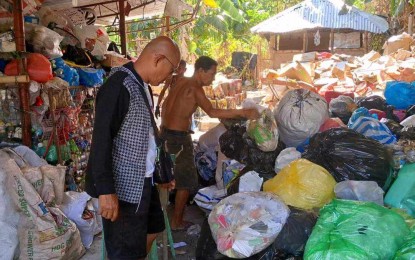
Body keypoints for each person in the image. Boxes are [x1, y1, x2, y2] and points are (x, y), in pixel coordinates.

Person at [85, 36, 180, 260]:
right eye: (171, 70)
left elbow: (145, 135)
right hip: (123, 189)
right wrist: (106, 191)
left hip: (143, 181)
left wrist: (160, 172)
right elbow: (100, 140)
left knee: (154, 227)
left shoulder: (142, 86)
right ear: (158, 59)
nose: (169, 77)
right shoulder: (118, 85)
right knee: (123, 250)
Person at [160, 56, 260, 230]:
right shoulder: (195, 88)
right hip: (178, 138)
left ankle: (168, 213)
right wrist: (243, 112)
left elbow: (165, 106)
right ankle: (176, 222)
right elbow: (212, 112)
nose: (213, 78)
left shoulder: (180, 81)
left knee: (170, 177)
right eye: (212, 74)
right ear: (201, 71)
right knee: (186, 180)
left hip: (165, 134)